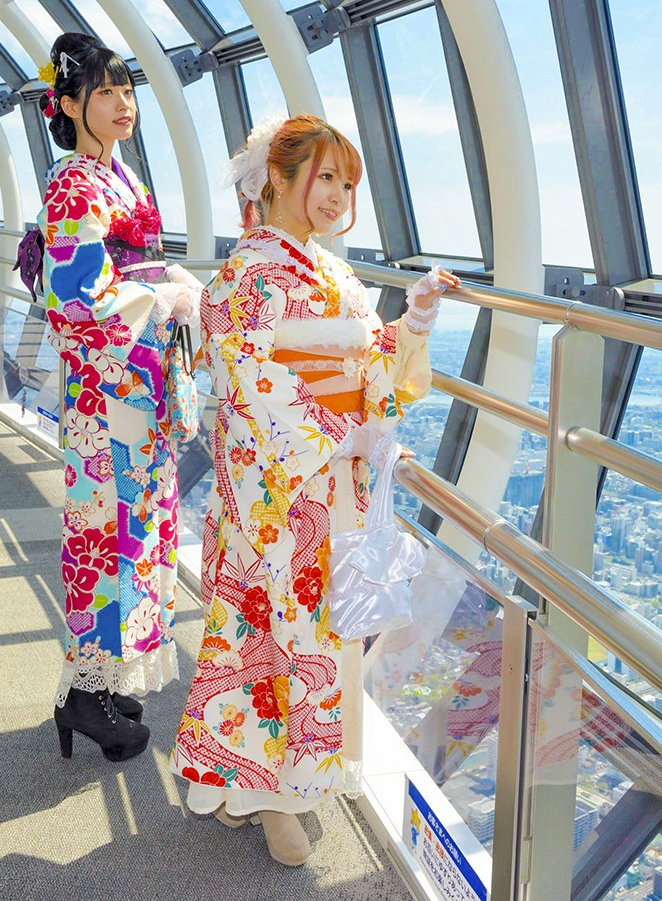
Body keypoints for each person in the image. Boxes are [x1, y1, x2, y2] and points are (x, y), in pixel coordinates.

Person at [170, 115, 459, 864]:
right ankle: (272, 797)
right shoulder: (244, 279)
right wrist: (335, 435)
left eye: (347, 182)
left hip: (333, 482)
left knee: (318, 639)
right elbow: (249, 383)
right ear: (276, 178)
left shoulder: (334, 275)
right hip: (281, 490)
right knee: (278, 639)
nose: (337, 195)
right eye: (324, 177)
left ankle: (270, 781)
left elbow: (375, 369)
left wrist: (414, 322)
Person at [36, 32, 201, 763]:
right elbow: (77, 294)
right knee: (106, 538)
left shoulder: (119, 179)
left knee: (137, 533)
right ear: (68, 104)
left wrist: (162, 292)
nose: (121, 104)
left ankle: (102, 683)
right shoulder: (73, 186)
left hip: (137, 382)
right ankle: (85, 695)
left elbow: (125, 274)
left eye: (126, 90)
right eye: (103, 92)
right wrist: (161, 296)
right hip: (107, 395)